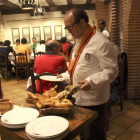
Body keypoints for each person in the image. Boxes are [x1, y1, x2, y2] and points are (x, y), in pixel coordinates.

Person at [57, 9, 118, 140]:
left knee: (96, 133)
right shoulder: (79, 40)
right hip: (78, 95)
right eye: (66, 28)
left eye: (70, 27)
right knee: (84, 132)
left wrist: (91, 81)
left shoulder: (101, 41)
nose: (68, 31)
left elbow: (112, 70)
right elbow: (79, 65)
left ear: (82, 22)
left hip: (94, 99)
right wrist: (66, 76)